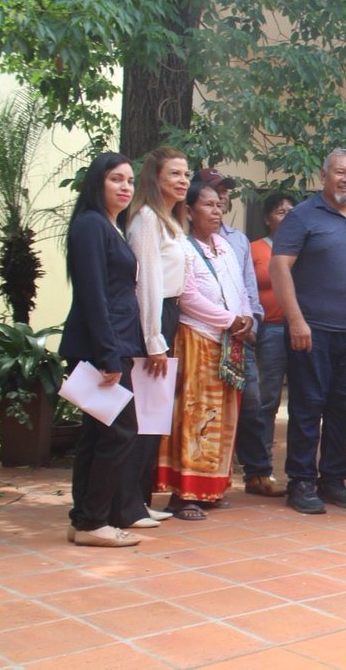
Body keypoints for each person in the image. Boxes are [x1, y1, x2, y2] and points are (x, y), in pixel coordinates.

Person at [270, 149, 346, 514]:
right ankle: (301, 481)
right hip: (312, 331)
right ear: (323, 176)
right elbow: (280, 268)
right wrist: (296, 320)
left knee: (345, 409)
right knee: (307, 407)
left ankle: (333, 478)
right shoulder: (303, 216)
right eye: (340, 172)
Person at [61, 153, 147, 547]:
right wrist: (108, 355)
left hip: (114, 344)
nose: (125, 187)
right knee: (119, 431)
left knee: (98, 434)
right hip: (101, 349)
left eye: (129, 180)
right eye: (116, 179)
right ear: (98, 183)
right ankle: (95, 520)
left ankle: (84, 519)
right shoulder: (90, 226)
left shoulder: (109, 226)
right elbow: (94, 296)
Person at [157, 183, 254, 521]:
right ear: (188, 211)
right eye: (208, 205)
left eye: (219, 205)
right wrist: (231, 319)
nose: (216, 211)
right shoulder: (182, 247)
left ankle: (211, 488)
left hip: (229, 341)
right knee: (194, 415)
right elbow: (187, 297)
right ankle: (183, 494)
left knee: (224, 417)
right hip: (197, 337)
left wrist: (245, 320)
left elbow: (240, 288)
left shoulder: (226, 247)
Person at [197, 169, 285, 499]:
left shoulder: (235, 240)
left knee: (252, 403)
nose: (220, 198)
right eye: (212, 192)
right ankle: (202, 478)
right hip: (202, 334)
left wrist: (252, 322)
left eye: (224, 193)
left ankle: (257, 473)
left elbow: (248, 287)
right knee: (203, 407)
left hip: (240, 337)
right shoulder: (182, 236)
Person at [125, 146, 193, 527]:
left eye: (186, 174)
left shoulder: (170, 219)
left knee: (153, 416)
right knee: (143, 414)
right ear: (156, 178)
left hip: (170, 315)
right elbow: (146, 284)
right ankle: (128, 503)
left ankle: (139, 499)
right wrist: (153, 339)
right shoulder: (147, 219)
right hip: (151, 318)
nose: (183, 181)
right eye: (174, 174)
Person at [247, 191, 296, 494]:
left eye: (292, 211)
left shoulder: (303, 248)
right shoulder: (254, 249)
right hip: (270, 331)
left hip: (301, 329)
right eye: (280, 212)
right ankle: (259, 466)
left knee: (304, 400)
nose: (287, 216)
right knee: (267, 400)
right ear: (267, 218)